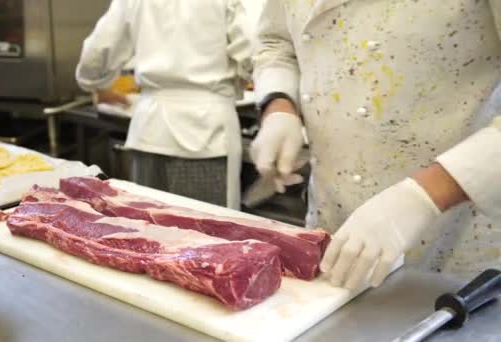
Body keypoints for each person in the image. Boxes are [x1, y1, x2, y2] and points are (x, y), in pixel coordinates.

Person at [251, 0, 501, 289]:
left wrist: (422, 198)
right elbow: (276, 43)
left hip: (454, 239)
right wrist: (279, 106)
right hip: (331, 220)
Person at [76, 0, 253, 209]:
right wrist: (243, 77)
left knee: (148, 231)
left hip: (149, 132)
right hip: (206, 135)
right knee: (208, 234)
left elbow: (96, 53)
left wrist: (96, 83)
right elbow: (254, 50)